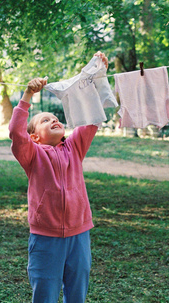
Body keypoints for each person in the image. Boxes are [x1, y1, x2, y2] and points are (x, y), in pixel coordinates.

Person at [9, 52, 108, 303]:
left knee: (77, 295)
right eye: (45, 120)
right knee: (45, 294)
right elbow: (16, 133)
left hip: (79, 234)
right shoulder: (31, 154)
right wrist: (27, 97)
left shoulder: (74, 147)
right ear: (35, 136)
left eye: (55, 118)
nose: (54, 119)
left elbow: (91, 118)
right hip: (46, 238)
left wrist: (97, 75)